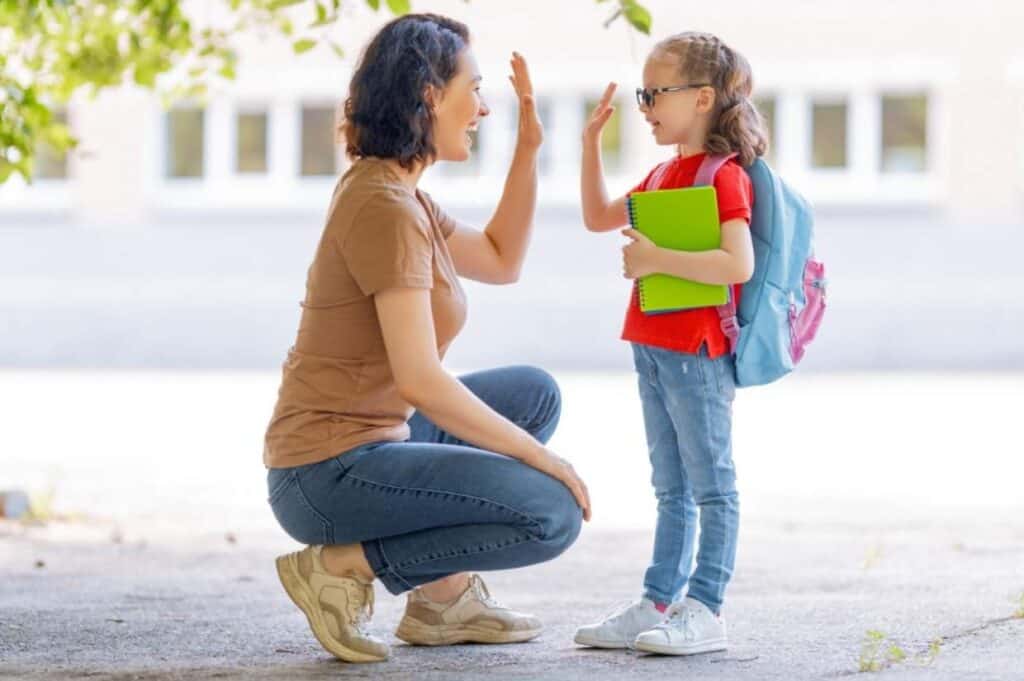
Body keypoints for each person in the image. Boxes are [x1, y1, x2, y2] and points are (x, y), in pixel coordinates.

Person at [263, 13, 590, 663]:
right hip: (325, 474)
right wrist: (542, 459)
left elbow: (500, 258)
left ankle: (442, 600)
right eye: (474, 87)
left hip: (378, 442)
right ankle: (343, 564)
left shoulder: (402, 194)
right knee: (550, 512)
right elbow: (420, 379)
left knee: (533, 394)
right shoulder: (384, 207)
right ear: (430, 94)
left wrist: (529, 150)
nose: (484, 107)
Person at [574, 30, 766, 656]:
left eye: (656, 93)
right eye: (643, 94)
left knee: (712, 483)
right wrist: (588, 146)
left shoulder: (722, 176)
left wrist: (657, 256)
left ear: (704, 98)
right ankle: (659, 600)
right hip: (652, 344)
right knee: (670, 485)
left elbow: (734, 266)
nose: (646, 106)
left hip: (697, 349)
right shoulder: (661, 173)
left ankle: (705, 607)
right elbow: (598, 216)